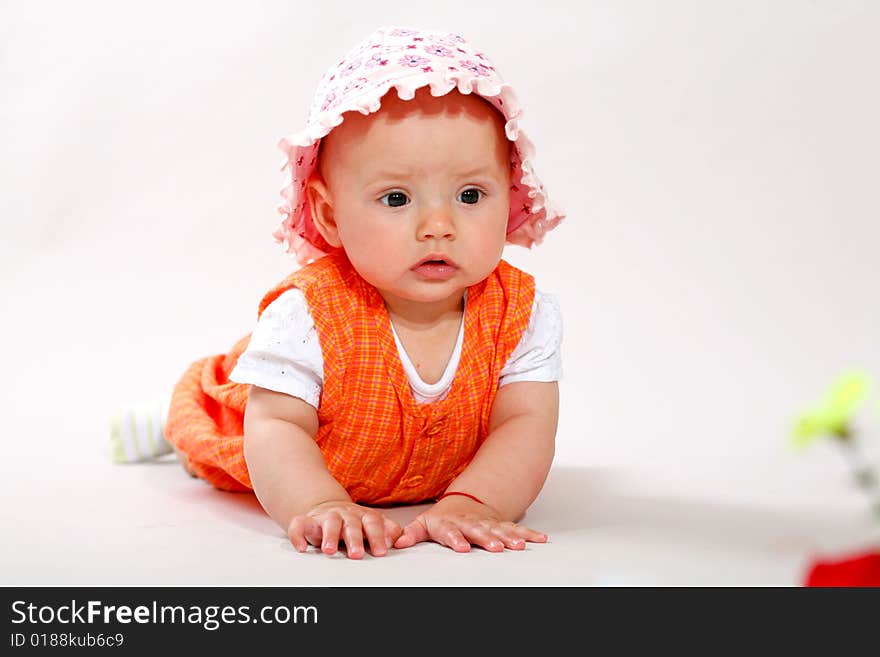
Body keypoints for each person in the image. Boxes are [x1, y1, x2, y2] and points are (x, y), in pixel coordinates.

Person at [110, 25, 565, 559]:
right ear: (330, 216)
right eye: (396, 199)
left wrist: (475, 503)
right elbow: (275, 426)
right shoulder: (309, 315)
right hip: (265, 428)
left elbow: (525, 424)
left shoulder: (521, 312)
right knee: (212, 434)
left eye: (470, 194)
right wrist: (321, 501)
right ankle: (166, 425)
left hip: (397, 464)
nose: (438, 225)